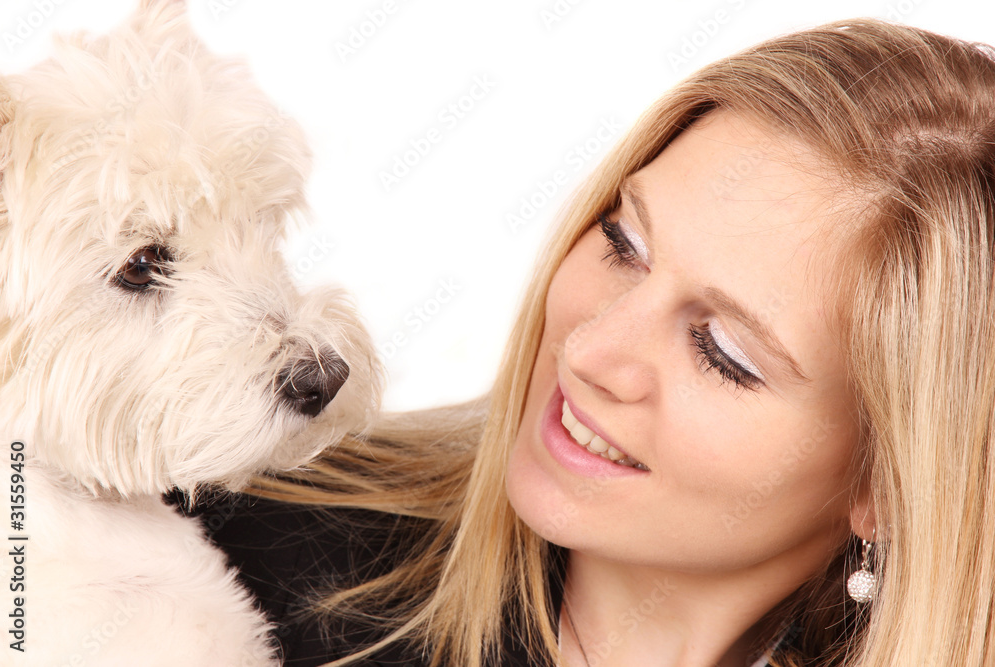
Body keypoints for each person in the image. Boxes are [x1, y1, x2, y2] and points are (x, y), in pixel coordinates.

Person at [180, 17, 995, 666]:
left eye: (722, 352)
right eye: (622, 243)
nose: (589, 351)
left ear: (888, 482)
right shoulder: (204, 561)